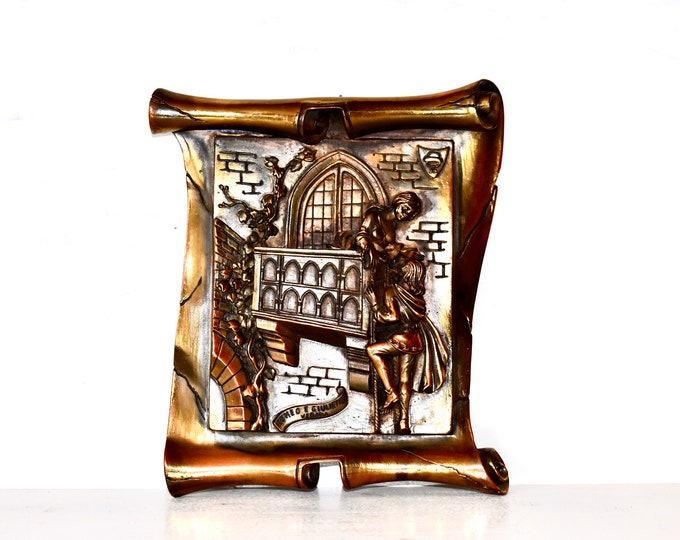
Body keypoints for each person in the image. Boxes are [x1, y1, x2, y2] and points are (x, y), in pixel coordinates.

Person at [365, 258, 447, 434]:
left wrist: (374, 304)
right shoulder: (417, 297)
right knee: (405, 381)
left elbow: (391, 317)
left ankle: (390, 392)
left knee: (372, 350)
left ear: (408, 273)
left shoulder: (393, 291)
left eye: (404, 268)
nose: (400, 269)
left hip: (401, 339)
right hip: (415, 340)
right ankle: (404, 422)